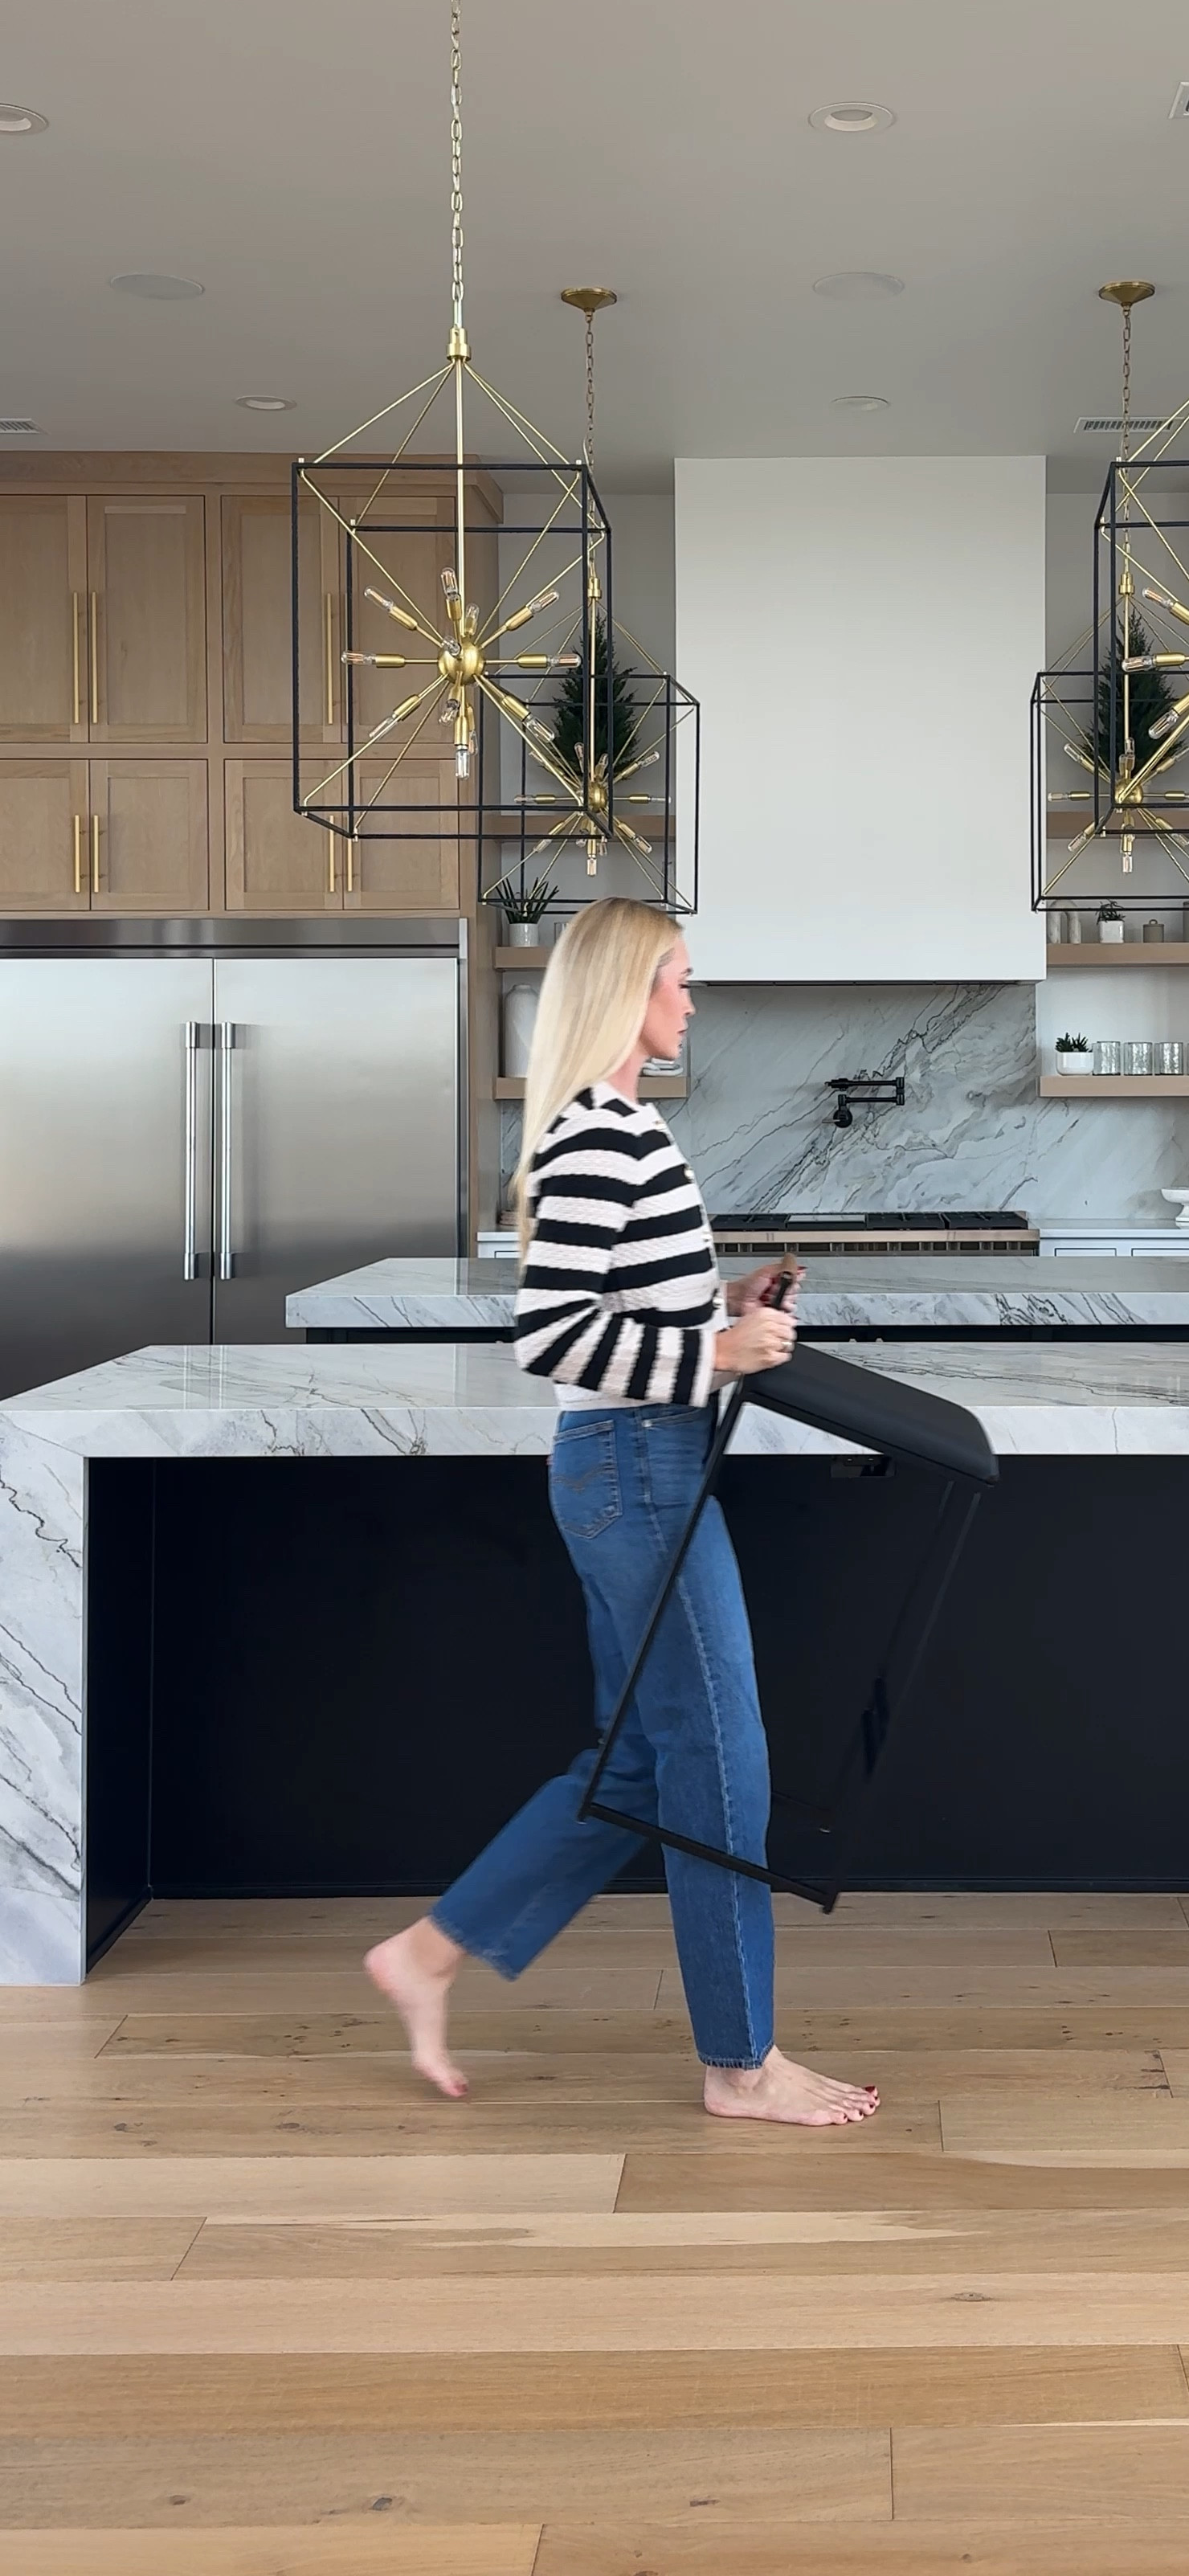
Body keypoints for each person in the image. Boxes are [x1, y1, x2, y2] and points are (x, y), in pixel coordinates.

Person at [366, 896, 879, 2128]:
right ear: (629, 990)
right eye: (681, 980)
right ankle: (741, 2063)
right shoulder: (597, 1134)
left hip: (638, 1466)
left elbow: (623, 1306)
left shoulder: (620, 1128)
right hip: (636, 1469)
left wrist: (728, 1300)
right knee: (720, 1765)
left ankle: (427, 1955)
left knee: (640, 1766)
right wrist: (716, 1352)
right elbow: (552, 1334)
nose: (693, 1003)